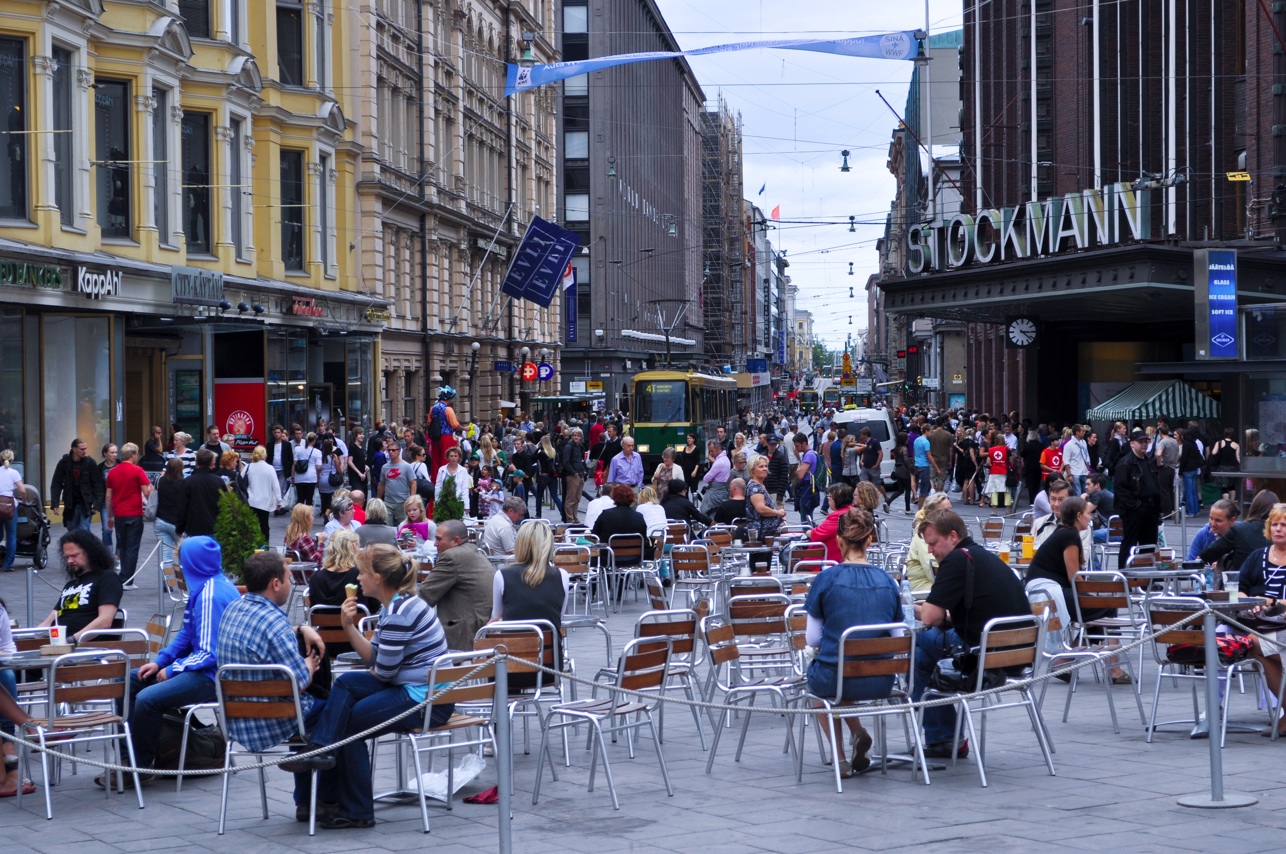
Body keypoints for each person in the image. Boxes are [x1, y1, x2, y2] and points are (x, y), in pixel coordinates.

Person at [282, 543, 452, 829]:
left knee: (348, 723)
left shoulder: (399, 612)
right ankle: (321, 751)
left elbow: (383, 672)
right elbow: (375, 660)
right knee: (347, 683)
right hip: (419, 688)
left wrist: (379, 667)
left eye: (362, 573)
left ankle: (356, 808)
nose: (357, 578)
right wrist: (348, 627)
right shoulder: (397, 605)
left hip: (428, 700)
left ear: (378, 578)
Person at [108, 536, 239, 787]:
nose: (180, 567)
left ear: (192, 564)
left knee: (148, 699)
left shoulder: (211, 594)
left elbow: (210, 654)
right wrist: (161, 662)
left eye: (181, 562)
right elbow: (187, 635)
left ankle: (141, 766)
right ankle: (129, 759)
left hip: (214, 676)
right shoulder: (205, 587)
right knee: (124, 681)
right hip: (201, 669)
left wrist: (173, 669)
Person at [216, 551, 330, 822]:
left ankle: (307, 800)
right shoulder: (275, 622)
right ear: (275, 584)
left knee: (313, 709)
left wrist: (302, 629)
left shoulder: (234, 608)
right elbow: (299, 682)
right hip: (275, 720)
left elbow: (262, 636)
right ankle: (321, 801)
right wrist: (310, 664)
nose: (291, 585)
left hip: (236, 720)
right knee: (337, 710)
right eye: (289, 579)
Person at [913, 509, 1033, 759]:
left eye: (933, 543)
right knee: (921, 655)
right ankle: (943, 737)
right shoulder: (983, 557)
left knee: (913, 643)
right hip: (1017, 654)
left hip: (983, 656)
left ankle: (943, 737)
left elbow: (928, 617)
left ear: (953, 536)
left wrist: (906, 609)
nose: (930, 551)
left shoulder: (956, 560)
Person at [804, 507, 901, 777]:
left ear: (838, 541)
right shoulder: (888, 581)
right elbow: (899, 637)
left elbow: (811, 638)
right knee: (843, 669)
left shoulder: (826, 579)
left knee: (821, 687)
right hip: (880, 680)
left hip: (835, 675)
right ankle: (856, 730)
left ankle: (839, 758)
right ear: (870, 540)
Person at [489, 523, 570, 689]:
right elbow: (557, 618)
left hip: (509, 668)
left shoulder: (502, 575)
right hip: (548, 668)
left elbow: (496, 619)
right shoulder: (562, 576)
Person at [1239, 504, 1286, 719]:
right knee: (1220, 637)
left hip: (1280, 623)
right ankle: (1212, 708)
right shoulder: (1257, 556)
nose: (1278, 529)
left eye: (1284, 525)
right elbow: (1239, 590)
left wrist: (1270, 601)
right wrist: (1250, 603)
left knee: (1255, 644)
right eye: (1274, 524)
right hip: (1252, 621)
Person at [418, 520, 495, 651]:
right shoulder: (471, 550)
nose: (435, 544)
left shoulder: (451, 556)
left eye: (438, 539)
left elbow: (424, 595)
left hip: (465, 634)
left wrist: (394, 603)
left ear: (456, 541)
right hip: (482, 628)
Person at [38, 529, 122, 641]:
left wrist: (72, 640)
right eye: (67, 557)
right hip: (57, 642)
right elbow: (48, 622)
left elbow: (104, 621)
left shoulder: (107, 578)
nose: (69, 561)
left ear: (89, 553)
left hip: (83, 646)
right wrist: (26, 636)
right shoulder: (70, 585)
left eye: (74, 556)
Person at [1114, 428, 1163, 568]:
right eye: (1140, 441)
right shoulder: (1125, 463)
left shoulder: (1149, 461)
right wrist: (1135, 506)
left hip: (1151, 508)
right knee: (1130, 543)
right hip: (1134, 509)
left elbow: (1155, 484)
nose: (1144, 444)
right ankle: (1124, 575)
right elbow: (1121, 489)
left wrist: (1157, 507)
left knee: (1148, 546)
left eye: (1146, 441)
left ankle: (1145, 580)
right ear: (1132, 443)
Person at [105, 443, 152, 588]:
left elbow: (108, 496)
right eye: (137, 454)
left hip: (119, 514)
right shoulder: (138, 470)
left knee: (123, 545)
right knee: (133, 547)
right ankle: (127, 578)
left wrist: (109, 516)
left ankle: (124, 575)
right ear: (133, 454)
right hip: (134, 513)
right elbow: (146, 492)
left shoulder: (112, 472)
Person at [1202, 489, 1279, 574]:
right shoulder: (1280, 532)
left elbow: (1208, 554)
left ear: (1253, 507)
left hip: (1243, 583)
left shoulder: (1239, 530)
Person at [49, 438, 104, 532]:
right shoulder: (64, 463)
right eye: (81, 449)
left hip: (86, 502)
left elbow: (97, 484)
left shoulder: (89, 462)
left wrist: (96, 504)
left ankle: (84, 546)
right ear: (74, 449)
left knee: (84, 529)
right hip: (70, 503)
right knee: (72, 529)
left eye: (85, 449)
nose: (84, 451)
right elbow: (56, 483)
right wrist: (55, 504)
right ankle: (76, 546)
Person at [903, 493, 952, 591]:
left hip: (939, 583)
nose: (952, 514)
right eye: (946, 511)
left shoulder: (946, 530)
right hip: (924, 587)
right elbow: (932, 569)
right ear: (933, 514)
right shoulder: (924, 533)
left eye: (951, 509)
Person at [593, 483, 653, 559]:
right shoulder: (639, 516)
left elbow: (595, 535)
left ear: (614, 497)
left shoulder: (606, 514)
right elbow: (644, 539)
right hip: (634, 558)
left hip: (609, 558)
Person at [178, 448, 225, 538]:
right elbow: (224, 505)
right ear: (211, 463)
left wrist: (180, 527)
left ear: (197, 462)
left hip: (193, 528)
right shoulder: (218, 481)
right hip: (214, 527)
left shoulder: (188, 482)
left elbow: (182, 507)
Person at [245, 445, 283, 544]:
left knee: (251, 525)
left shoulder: (248, 467)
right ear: (265, 455)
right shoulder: (270, 468)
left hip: (251, 500)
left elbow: (241, 481)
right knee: (264, 525)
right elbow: (276, 486)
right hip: (265, 502)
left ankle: (251, 544)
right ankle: (264, 545)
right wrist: (279, 501)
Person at [808, 482, 855, 562]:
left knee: (792, 559)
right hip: (843, 557)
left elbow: (816, 535)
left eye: (829, 495)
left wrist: (808, 532)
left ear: (837, 499)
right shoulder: (852, 511)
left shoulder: (837, 516)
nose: (828, 497)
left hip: (827, 560)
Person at [746, 455, 787, 542]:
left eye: (766, 466)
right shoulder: (754, 487)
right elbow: (761, 509)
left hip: (767, 533)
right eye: (761, 466)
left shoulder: (761, 485)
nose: (765, 469)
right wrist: (777, 513)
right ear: (752, 470)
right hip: (760, 533)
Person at [377, 439, 413, 527]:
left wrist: (412, 499)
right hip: (388, 502)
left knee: (403, 527)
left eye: (393, 450)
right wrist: (378, 499)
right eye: (389, 450)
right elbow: (382, 484)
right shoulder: (385, 467)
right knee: (387, 526)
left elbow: (413, 482)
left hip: (403, 501)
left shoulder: (406, 466)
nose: (391, 452)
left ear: (399, 451)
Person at [428, 385, 462, 476]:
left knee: (435, 461)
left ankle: (435, 481)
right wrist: (464, 428)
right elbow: (455, 425)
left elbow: (429, 422)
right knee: (447, 459)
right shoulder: (448, 409)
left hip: (435, 438)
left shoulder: (433, 408)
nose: (452, 400)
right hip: (446, 437)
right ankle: (448, 478)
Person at [0, 449, 23, 572]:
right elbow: (23, 490)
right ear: (12, 460)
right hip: (9, 507)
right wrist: (23, 500)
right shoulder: (14, 473)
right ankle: (7, 565)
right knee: (11, 536)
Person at [560, 427, 588, 524]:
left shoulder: (579, 446)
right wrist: (574, 473)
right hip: (573, 475)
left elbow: (580, 460)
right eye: (574, 435)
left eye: (578, 435)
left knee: (577, 498)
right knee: (570, 499)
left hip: (579, 474)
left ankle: (575, 517)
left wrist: (583, 472)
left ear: (580, 437)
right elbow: (566, 462)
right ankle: (570, 518)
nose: (576, 437)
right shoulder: (569, 447)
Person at [1207, 427, 1241, 502]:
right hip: (1233, 468)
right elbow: (1238, 458)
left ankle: (1226, 502)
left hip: (1222, 468)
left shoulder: (1219, 443)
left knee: (1224, 487)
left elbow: (1213, 453)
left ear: (1224, 434)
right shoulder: (1236, 445)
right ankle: (1232, 502)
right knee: (1232, 486)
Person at [434, 445, 472, 512]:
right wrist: (437, 502)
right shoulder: (442, 469)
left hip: (458, 502)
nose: (453, 458)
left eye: (455, 456)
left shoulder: (463, 470)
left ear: (459, 457)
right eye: (451, 456)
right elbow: (438, 487)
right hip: (444, 502)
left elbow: (465, 489)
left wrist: (466, 505)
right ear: (447, 457)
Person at [793, 432, 820, 524]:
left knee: (805, 518)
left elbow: (800, 475)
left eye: (797, 446)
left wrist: (798, 469)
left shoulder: (809, 455)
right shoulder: (811, 453)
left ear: (804, 444)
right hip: (810, 486)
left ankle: (809, 534)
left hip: (807, 487)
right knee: (808, 515)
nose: (795, 448)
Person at [292, 432, 322, 512]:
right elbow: (318, 467)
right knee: (309, 499)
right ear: (314, 440)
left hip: (299, 477)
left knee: (300, 499)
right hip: (311, 477)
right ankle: (307, 517)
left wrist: (292, 477)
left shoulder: (297, 449)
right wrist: (318, 477)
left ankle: (297, 517)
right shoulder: (317, 452)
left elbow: (294, 464)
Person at [266, 424, 295, 508]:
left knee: (280, 488)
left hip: (282, 469)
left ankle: (279, 506)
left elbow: (291, 458)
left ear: (281, 433)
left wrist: (289, 470)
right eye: (275, 432)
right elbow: (268, 457)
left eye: (278, 432)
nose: (276, 434)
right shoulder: (270, 445)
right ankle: (275, 504)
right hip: (272, 469)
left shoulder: (287, 444)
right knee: (273, 488)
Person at [983, 433, 1011, 516]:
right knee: (1007, 491)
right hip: (1004, 472)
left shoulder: (991, 450)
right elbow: (1011, 461)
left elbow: (988, 462)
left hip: (994, 472)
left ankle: (994, 511)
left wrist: (994, 465)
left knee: (994, 492)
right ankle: (1007, 511)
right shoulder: (1007, 449)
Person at [533, 435, 561, 518]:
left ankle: (538, 514)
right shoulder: (553, 451)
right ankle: (563, 512)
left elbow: (533, 457)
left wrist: (538, 448)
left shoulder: (542, 453)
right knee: (555, 495)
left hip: (544, 476)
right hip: (553, 476)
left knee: (539, 496)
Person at [700, 440, 731, 514]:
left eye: (712, 451)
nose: (710, 453)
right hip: (722, 489)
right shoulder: (725, 459)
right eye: (709, 451)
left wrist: (711, 478)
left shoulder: (720, 462)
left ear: (718, 449)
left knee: (708, 510)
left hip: (716, 491)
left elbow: (705, 478)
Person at [98, 443, 118, 550]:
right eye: (112, 452)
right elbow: (97, 486)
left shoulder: (120, 465)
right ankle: (108, 556)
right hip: (105, 502)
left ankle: (119, 556)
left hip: (119, 501)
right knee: (106, 530)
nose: (114, 455)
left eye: (116, 452)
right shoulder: (100, 468)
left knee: (120, 530)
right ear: (105, 453)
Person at [886, 432, 912, 513]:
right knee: (908, 489)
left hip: (897, 470)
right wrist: (912, 469)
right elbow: (906, 460)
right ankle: (907, 509)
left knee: (900, 490)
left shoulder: (896, 448)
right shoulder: (904, 449)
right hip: (904, 470)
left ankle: (888, 501)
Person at [764, 434, 790, 508]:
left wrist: (780, 495)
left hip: (776, 492)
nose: (772, 447)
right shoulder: (762, 456)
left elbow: (784, 477)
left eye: (774, 444)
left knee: (778, 516)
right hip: (765, 491)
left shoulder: (781, 457)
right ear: (767, 443)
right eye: (770, 444)